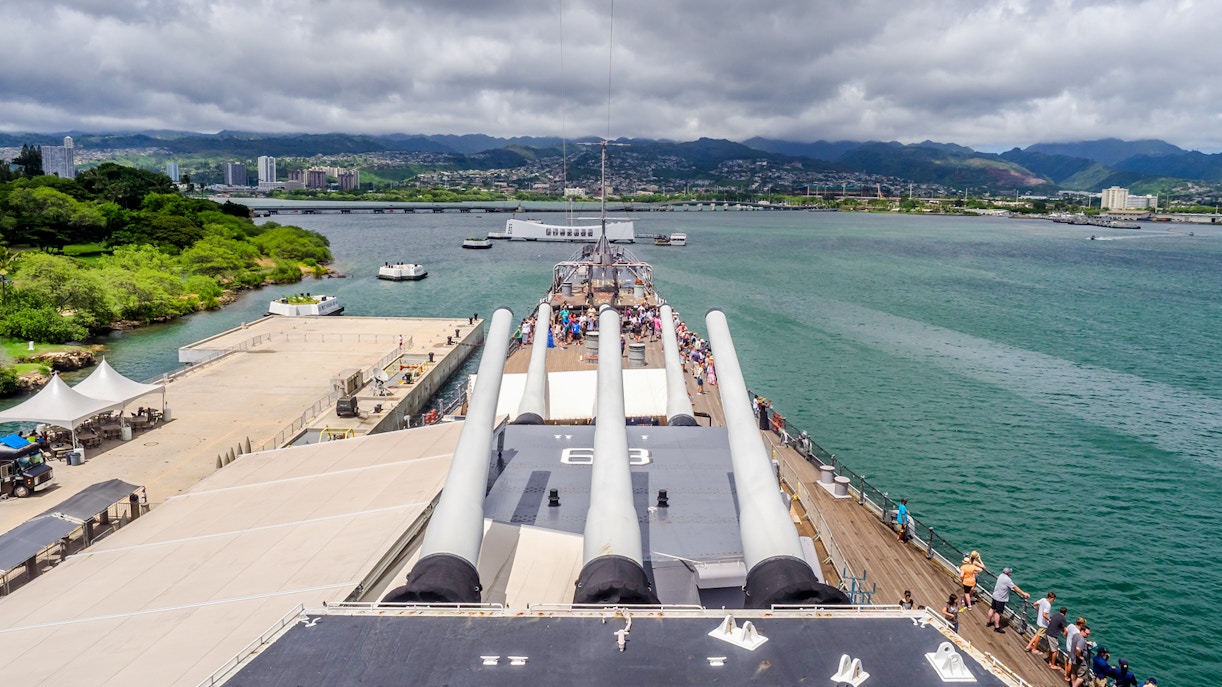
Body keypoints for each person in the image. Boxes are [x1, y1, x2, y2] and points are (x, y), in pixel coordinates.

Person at [987, 566, 1029, 633]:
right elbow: (1014, 587)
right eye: (1010, 572)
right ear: (1008, 573)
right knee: (998, 612)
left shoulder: (1000, 575)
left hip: (995, 595)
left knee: (992, 608)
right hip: (1000, 598)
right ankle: (996, 627)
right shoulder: (1007, 579)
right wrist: (1023, 593)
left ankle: (988, 622)